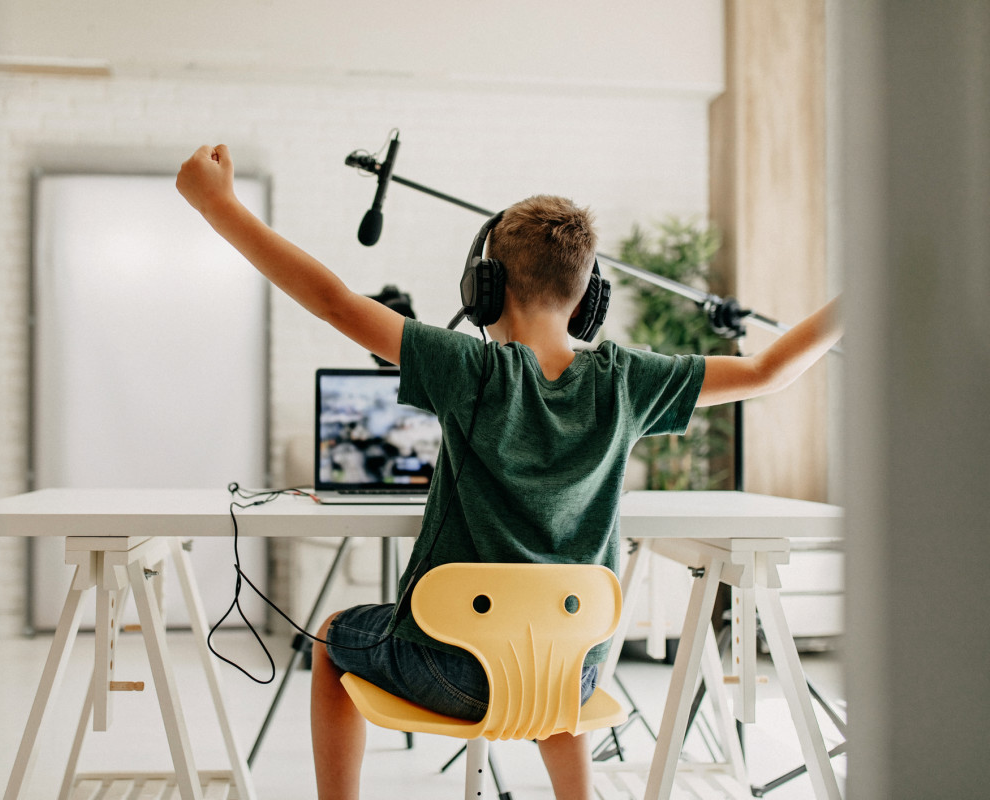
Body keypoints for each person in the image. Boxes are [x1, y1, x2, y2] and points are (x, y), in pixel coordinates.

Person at [176, 144, 842, 800]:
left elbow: (335, 303)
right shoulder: (627, 382)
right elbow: (767, 371)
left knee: (332, 635)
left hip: (445, 667)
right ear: (590, 300)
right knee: (554, 632)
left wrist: (221, 207)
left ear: (483, 290)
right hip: (570, 675)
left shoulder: (471, 370)